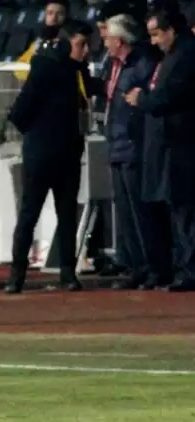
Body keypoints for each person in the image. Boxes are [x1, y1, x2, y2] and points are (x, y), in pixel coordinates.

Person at [4, 19, 93, 294]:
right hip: (44, 153)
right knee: (32, 214)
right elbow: (21, 109)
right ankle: (20, 274)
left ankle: (61, 272)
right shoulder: (45, 67)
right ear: (66, 42)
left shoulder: (74, 69)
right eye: (81, 44)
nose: (86, 50)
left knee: (62, 216)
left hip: (62, 151)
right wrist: (38, 133)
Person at [124, 6, 195, 292]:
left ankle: (190, 270)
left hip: (182, 146)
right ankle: (186, 267)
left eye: (156, 34)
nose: (153, 42)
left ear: (171, 31)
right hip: (173, 146)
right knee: (180, 210)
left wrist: (142, 100)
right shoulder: (176, 55)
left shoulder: (186, 56)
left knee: (186, 210)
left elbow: (169, 97)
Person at [99, 14, 159, 290]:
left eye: (109, 39)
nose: (105, 43)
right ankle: (137, 266)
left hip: (133, 147)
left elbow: (144, 105)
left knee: (140, 212)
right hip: (117, 145)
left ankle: (152, 266)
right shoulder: (114, 66)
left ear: (120, 40)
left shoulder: (141, 65)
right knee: (125, 213)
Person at [14, 0, 69, 81]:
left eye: (59, 14)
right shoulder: (38, 42)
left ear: (66, 17)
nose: (54, 18)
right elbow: (19, 70)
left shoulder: (73, 42)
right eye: (50, 13)